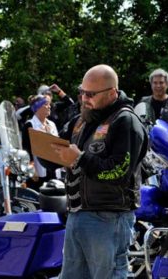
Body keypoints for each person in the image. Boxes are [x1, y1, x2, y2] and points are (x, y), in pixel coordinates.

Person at [52, 64, 148, 279]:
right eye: (82, 92)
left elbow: (118, 173)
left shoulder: (125, 121)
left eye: (91, 94)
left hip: (109, 217)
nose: (84, 98)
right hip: (78, 213)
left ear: (112, 93)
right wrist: (46, 151)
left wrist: (79, 158)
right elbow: (58, 149)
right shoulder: (81, 120)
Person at [22, 94, 61, 191]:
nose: (49, 106)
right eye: (46, 104)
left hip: (53, 168)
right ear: (38, 107)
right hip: (39, 170)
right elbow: (27, 148)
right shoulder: (30, 125)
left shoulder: (52, 124)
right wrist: (31, 168)